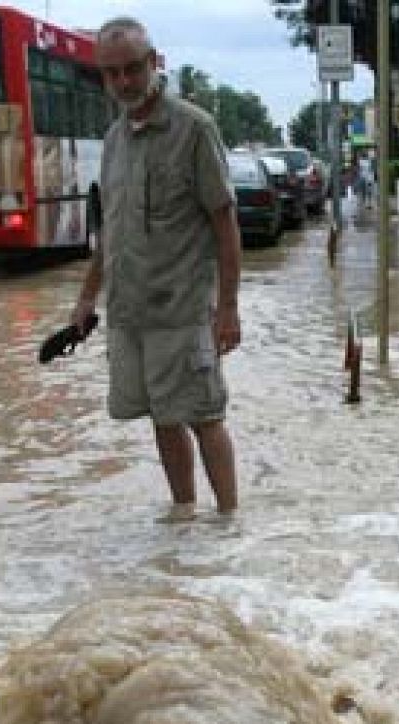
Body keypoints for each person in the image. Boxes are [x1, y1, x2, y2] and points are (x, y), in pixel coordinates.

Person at [70, 17, 241, 521]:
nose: (124, 81)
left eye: (132, 69)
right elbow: (111, 231)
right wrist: (86, 299)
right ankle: (183, 516)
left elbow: (225, 222)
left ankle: (230, 525)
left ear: (154, 62)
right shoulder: (114, 139)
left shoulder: (195, 128)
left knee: (204, 416)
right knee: (161, 419)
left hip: (182, 311)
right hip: (129, 313)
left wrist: (228, 308)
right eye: (112, 73)